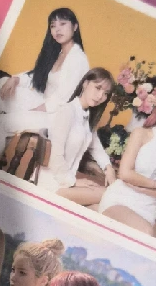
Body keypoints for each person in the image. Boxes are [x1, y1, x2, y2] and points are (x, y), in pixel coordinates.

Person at [0, 8, 90, 167]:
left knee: (3, 121)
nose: (57, 29)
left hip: (56, 115)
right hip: (42, 103)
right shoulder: (57, 52)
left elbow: (63, 98)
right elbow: (36, 75)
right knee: (3, 82)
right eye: (53, 26)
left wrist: (33, 110)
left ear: (75, 27)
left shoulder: (78, 59)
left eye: (63, 24)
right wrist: (15, 79)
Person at [98, 88, 156, 236]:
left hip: (147, 211)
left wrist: (141, 188)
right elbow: (124, 174)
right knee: (145, 232)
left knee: (143, 235)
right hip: (120, 199)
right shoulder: (141, 134)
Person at [35, 68, 117, 203]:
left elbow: (96, 147)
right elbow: (55, 156)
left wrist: (109, 168)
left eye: (106, 93)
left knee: (100, 208)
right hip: (52, 182)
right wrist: (74, 181)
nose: (100, 96)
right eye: (98, 88)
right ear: (85, 83)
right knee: (110, 196)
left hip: (65, 181)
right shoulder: (67, 111)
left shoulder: (87, 117)